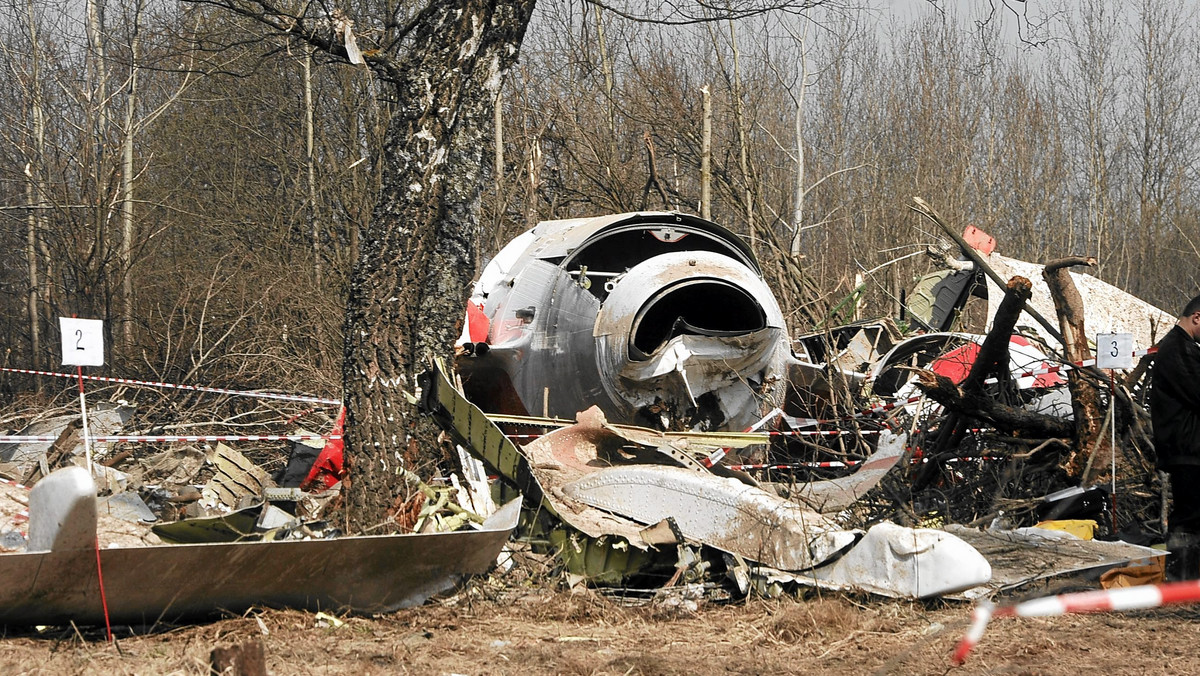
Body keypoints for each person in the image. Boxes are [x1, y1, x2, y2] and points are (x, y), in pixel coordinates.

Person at [1150, 293, 1200, 580]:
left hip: (1190, 447)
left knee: (1193, 518)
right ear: (1197, 317)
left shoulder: (1185, 348)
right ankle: (1181, 584)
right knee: (1189, 519)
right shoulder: (1177, 349)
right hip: (1187, 449)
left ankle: (1187, 584)